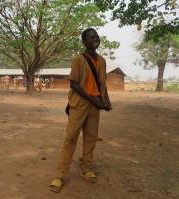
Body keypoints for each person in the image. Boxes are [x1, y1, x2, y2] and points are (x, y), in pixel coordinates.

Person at [49, 28, 112, 193]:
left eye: (96, 36)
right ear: (84, 42)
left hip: (95, 106)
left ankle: (87, 168)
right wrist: (93, 100)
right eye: (91, 37)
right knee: (70, 138)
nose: (95, 39)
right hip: (79, 105)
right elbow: (74, 84)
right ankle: (60, 175)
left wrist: (106, 100)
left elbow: (102, 84)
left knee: (91, 138)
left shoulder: (103, 61)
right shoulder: (78, 60)